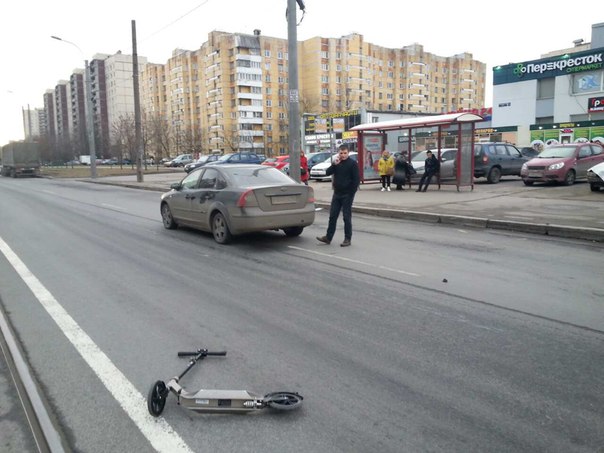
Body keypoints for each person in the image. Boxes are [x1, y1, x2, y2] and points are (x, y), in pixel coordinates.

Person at [316, 143, 360, 247]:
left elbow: (356, 180)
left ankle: (347, 239)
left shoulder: (352, 164)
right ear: (338, 153)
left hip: (347, 195)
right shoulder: (337, 163)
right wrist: (333, 164)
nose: (343, 155)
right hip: (337, 194)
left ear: (348, 153)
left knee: (346, 217)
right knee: (332, 216)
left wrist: (351, 193)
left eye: (345, 153)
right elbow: (327, 173)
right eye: (341, 153)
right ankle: (328, 237)